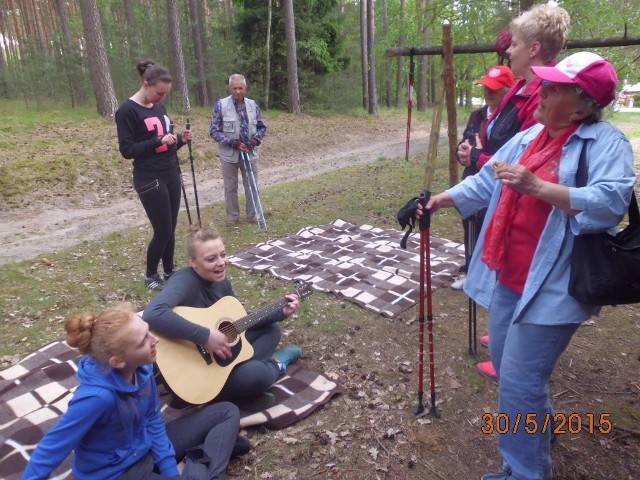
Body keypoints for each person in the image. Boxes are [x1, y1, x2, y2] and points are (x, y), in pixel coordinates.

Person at [417, 52, 635, 480]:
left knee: (518, 383)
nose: (544, 91)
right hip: (507, 277)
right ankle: (542, 427)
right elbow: (485, 182)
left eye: (555, 88)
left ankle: (525, 471)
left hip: (554, 286)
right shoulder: (530, 135)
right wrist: (438, 201)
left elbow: (611, 202)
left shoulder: (606, 142)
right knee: (509, 367)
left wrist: (539, 187)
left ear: (581, 104)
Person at [456, 3, 571, 380]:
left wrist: (480, 156)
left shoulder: (542, 94)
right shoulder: (518, 89)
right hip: (497, 196)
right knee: (506, 280)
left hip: (524, 212)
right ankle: (508, 347)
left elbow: (527, 156)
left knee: (522, 278)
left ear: (534, 49)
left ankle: (516, 360)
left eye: (516, 43)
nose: (509, 50)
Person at [23, 304, 242, 480]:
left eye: (148, 332)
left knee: (227, 412)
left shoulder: (143, 369)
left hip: (146, 448)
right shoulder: (96, 398)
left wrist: (170, 471)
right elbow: (51, 448)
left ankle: (200, 464)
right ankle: (203, 461)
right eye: (143, 341)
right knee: (226, 445)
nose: (154, 340)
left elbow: (153, 419)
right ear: (118, 361)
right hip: (119, 472)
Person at [143, 226, 302, 412]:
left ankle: (232, 386)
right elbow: (153, 313)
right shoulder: (184, 281)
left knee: (271, 329)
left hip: (220, 360)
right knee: (261, 375)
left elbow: (240, 322)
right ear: (193, 262)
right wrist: (205, 336)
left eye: (223, 254)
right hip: (195, 371)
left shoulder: (222, 282)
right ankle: (276, 366)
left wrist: (280, 312)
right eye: (211, 259)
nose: (221, 263)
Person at [116, 60, 193, 292]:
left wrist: (179, 140)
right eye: (159, 93)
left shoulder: (159, 108)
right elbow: (127, 150)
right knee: (162, 229)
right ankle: (151, 274)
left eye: (165, 94)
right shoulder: (127, 111)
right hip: (148, 176)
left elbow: (165, 145)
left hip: (170, 171)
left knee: (171, 226)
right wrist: (157, 141)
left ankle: (169, 271)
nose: (162, 98)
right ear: (146, 84)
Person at [452, 65, 515, 291]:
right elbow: (465, 145)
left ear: (509, 90)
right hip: (471, 180)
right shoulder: (476, 115)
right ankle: (471, 269)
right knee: (470, 227)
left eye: (495, 89)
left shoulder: (515, 117)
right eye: (486, 87)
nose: (488, 93)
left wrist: (477, 156)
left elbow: (510, 159)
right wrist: (461, 153)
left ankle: (491, 276)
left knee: (493, 230)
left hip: (498, 185)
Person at [209, 74, 267, 226]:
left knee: (252, 185)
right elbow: (214, 131)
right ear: (230, 89)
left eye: (240, 88)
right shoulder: (220, 105)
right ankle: (233, 217)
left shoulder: (253, 105)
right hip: (229, 154)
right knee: (230, 187)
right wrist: (232, 143)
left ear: (246, 89)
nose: (238, 91)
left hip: (250, 152)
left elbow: (262, 127)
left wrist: (253, 141)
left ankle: (254, 215)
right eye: (234, 88)